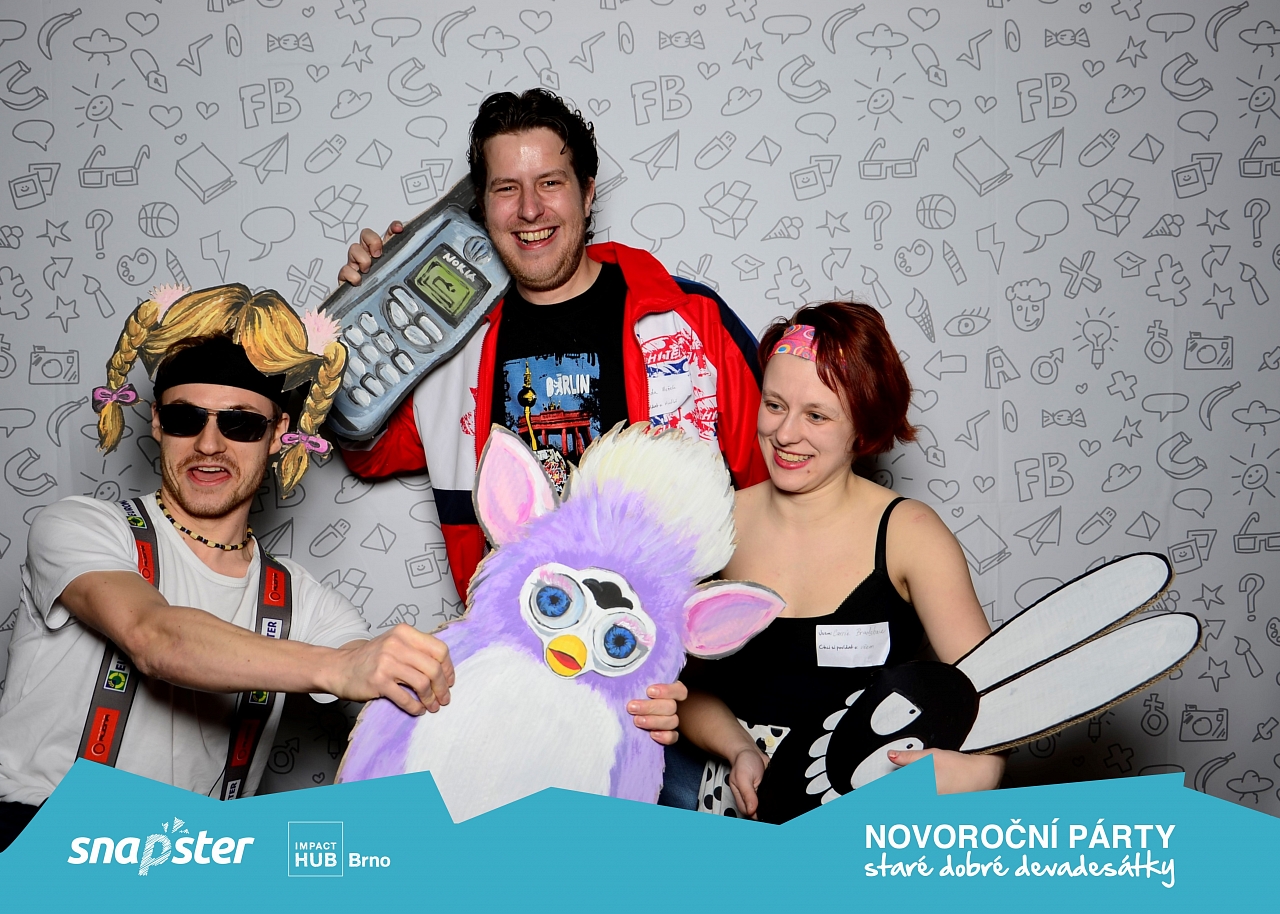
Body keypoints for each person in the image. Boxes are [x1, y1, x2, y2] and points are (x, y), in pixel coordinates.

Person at [337, 88, 769, 747]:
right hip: (515, 686)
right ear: (482, 206)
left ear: (587, 194)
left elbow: (769, 493)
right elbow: (365, 450)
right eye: (506, 188)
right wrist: (360, 309)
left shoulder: (688, 321)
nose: (530, 209)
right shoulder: (450, 342)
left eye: (550, 183)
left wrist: (718, 684)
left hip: (663, 696)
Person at [0, 283, 454, 851]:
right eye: (185, 418)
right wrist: (339, 666)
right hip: (42, 841)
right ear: (157, 424)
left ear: (278, 435)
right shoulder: (82, 527)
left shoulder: (300, 601)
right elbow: (155, 637)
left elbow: (391, 693)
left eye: (240, 424)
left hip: (192, 861)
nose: (209, 445)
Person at [676, 302, 1005, 822]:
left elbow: (995, 694)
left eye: (817, 415)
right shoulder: (713, 526)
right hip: (736, 805)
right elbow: (682, 686)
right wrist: (739, 748)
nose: (786, 434)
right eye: (775, 405)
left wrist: (981, 772)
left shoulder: (911, 535)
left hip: (866, 808)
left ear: (862, 425)